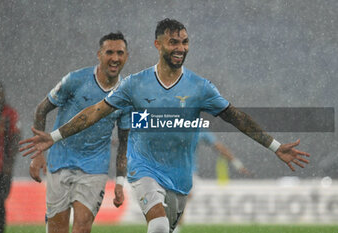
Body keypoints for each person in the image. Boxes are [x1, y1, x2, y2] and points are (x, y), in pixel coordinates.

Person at [19, 19, 310, 233]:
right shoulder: (134, 85)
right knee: (157, 225)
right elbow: (95, 112)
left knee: (168, 227)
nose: (180, 48)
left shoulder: (200, 88)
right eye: (174, 42)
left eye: (184, 42)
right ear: (158, 45)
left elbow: (236, 117)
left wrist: (274, 146)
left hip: (180, 178)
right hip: (143, 169)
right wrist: (54, 137)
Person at [26, 32, 130, 233]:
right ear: (99, 54)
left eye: (120, 53)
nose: (115, 58)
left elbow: (124, 143)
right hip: (60, 161)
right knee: (58, 229)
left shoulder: (126, 95)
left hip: (94, 167)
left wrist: (119, 182)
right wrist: (38, 155)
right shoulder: (74, 80)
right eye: (109, 52)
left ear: (126, 57)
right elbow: (41, 109)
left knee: (82, 227)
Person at [0, 81, 21, 233]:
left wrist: (9, 163)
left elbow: (15, 139)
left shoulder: (10, 114)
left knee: (0, 203)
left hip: (2, 168)